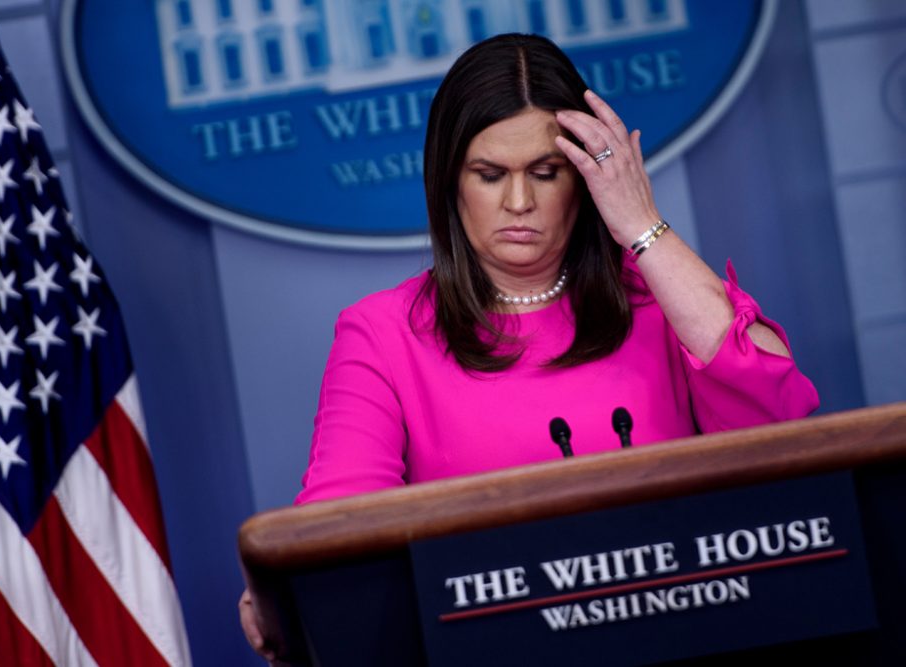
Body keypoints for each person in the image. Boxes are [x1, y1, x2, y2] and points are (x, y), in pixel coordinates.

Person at [240, 33, 818, 659]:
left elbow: (779, 415)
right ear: (449, 181)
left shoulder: (663, 302)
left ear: (588, 179)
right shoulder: (382, 335)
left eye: (547, 173)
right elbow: (338, 530)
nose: (519, 203)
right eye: (490, 175)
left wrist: (640, 226)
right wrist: (291, 582)